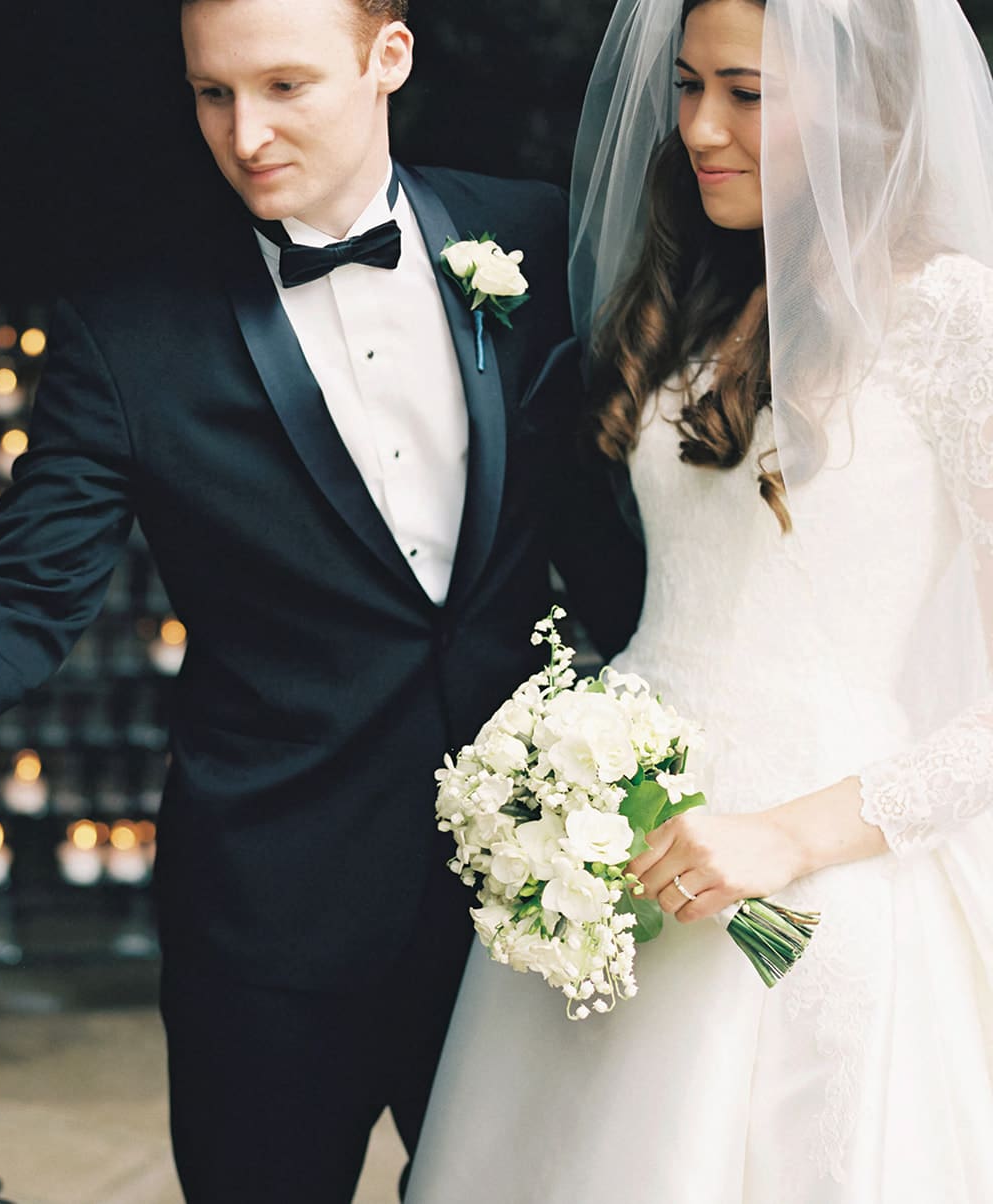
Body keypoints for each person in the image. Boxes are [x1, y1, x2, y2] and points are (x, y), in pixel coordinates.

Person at [0, 0, 642, 1197]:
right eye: (212, 94)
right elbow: (20, 601)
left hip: (529, 905)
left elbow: (610, 543)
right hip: (271, 923)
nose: (246, 132)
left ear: (389, 60)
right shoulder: (129, 335)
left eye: (284, 86)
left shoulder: (536, 236)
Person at [407, 0, 993, 1199]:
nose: (696, 129)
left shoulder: (951, 320)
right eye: (685, 86)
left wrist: (784, 836)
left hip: (815, 870)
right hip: (615, 848)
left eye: (746, 92)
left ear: (864, 107)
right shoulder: (692, 292)